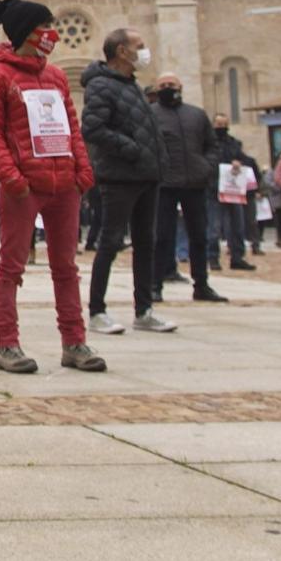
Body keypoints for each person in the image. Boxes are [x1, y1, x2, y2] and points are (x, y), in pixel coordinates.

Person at [0, 0, 104, 374]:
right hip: (24, 187)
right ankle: (6, 344)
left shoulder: (57, 76)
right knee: (11, 267)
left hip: (64, 184)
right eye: (44, 27)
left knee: (66, 267)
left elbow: (71, 127)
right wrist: (13, 180)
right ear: (25, 34)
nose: (52, 34)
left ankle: (74, 342)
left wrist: (83, 173)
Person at [78, 28, 175, 336]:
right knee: (110, 240)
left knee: (147, 242)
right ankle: (97, 310)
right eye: (139, 46)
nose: (144, 51)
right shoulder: (101, 86)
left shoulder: (130, 84)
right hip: (120, 175)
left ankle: (144, 309)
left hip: (146, 173)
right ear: (122, 51)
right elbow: (93, 128)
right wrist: (130, 149)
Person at [150, 74, 229, 303]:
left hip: (194, 182)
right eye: (163, 85)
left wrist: (207, 167)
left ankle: (201, 284)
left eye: (171, 85)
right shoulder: (152, 114)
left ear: (180, 87)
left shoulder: (196, 114)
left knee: (199, 236)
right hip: (165, 183)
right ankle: (156, 284)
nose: (168, 88)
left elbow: (211, 145)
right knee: (162, 236)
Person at [209, 113, 260, 270]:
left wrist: (240, 162)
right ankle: (213, 258)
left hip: (233, 190)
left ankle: (237, 257)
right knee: (214, 227)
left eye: (224, 124)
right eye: (219, 124)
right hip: (214, 190)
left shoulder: (234, 143)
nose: (222, 127)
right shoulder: (208, 142)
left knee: (238, 225)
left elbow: (246, 160)